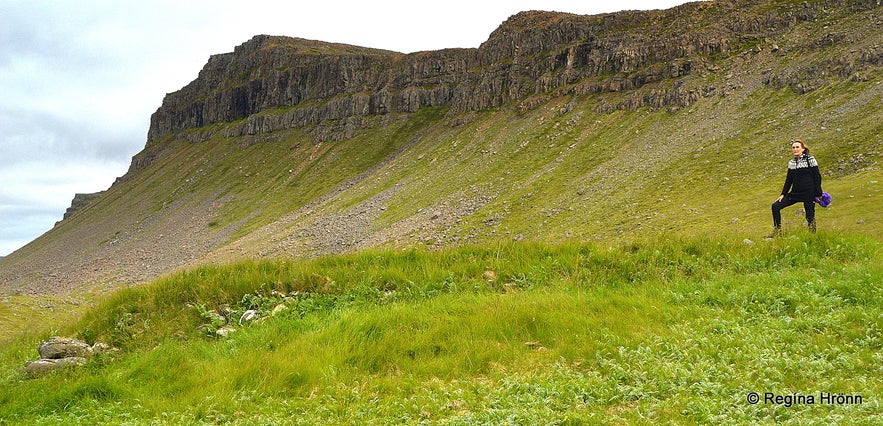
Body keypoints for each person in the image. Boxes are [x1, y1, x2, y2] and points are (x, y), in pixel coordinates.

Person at [768, 139, 823, 237]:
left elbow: (817, 176)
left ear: (802, 149)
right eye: (793, 147)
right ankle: (777, 231)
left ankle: (812, 236)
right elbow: (789, 180)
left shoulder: (810, 159)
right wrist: (783, 194)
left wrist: (819, 193)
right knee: (775, 206)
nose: (795, 149)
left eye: (797, 147)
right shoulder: (791, 163)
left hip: (809, 193)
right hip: (795, 193)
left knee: (810, 216)